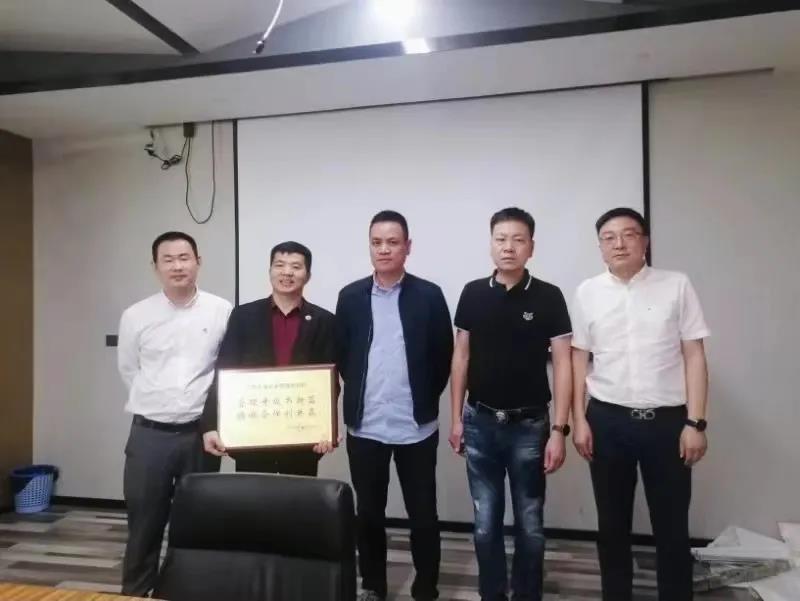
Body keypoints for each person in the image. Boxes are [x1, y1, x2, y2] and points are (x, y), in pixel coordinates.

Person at [571, 207, 710, 601]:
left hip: (667, 424)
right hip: (607, 421)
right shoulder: (587, 292)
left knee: (671, 526)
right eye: (609, 237)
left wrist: (696, 422)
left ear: (645, 241)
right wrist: (578, 420)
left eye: (629, 234)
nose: (619, 243)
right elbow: (578, 359)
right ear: (600, 246)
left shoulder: (676, 285)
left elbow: (695, 355)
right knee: (611, 525)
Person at [449, 207, 572, 601]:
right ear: (491, 244)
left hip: (530, 427)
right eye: (501, 239)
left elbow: (564, 364)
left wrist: (560, 430)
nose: (508, 247)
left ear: (531, 247)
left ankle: (526, 595)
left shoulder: (549, 296)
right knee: (485, 526)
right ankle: (492, 594)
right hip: (480, 421)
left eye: (518, 240)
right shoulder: (472, 293)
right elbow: (461, 357)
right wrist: (456, 419)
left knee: (530, 526)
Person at [335, 210, 453, 601]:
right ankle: (373, 584)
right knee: (369, 513)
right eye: (376, 242)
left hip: (415, 426)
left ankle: (426, 585)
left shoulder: (429, 295)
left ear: (407, 247)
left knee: (423, 514)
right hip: (366, 426)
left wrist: (425, 397)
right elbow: (343, 354)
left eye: (392, 242)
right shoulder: (350, 297)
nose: (384, 249)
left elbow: (443, 356)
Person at [117, 231, 232, 597]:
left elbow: (225, 370)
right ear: (155, 267)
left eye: (184, 258)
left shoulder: (221, 310)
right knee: (143, 525)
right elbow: (129, 370)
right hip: (149, 435)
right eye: (168, 260)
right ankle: (137, 593)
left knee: (198, 523)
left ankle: (188, 591)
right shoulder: (136, 315)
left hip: (199, 436)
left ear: (198, 261)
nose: (177, 266)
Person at [201, 241, 336, 474]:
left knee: (297, 497)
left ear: (308, 275)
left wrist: (327, 428)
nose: (287, 272)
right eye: (279, 265)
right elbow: (224, 370)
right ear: (270, 271)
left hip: (302, 441)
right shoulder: (244, 316)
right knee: (254, 496)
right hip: (252, 437)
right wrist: (210, 424)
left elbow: (329, 383)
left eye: (296, 266)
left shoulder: (324, 321)